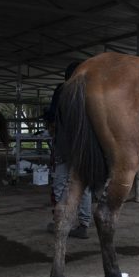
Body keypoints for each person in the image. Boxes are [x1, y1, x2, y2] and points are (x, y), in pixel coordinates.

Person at [46, 61, 92, 239]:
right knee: (84, 186)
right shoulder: (91, 91)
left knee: (61, 183)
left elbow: (52, 114)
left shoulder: (63, 89)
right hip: (84, 146)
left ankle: (63, 221)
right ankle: (83, 224)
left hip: (65, 144)